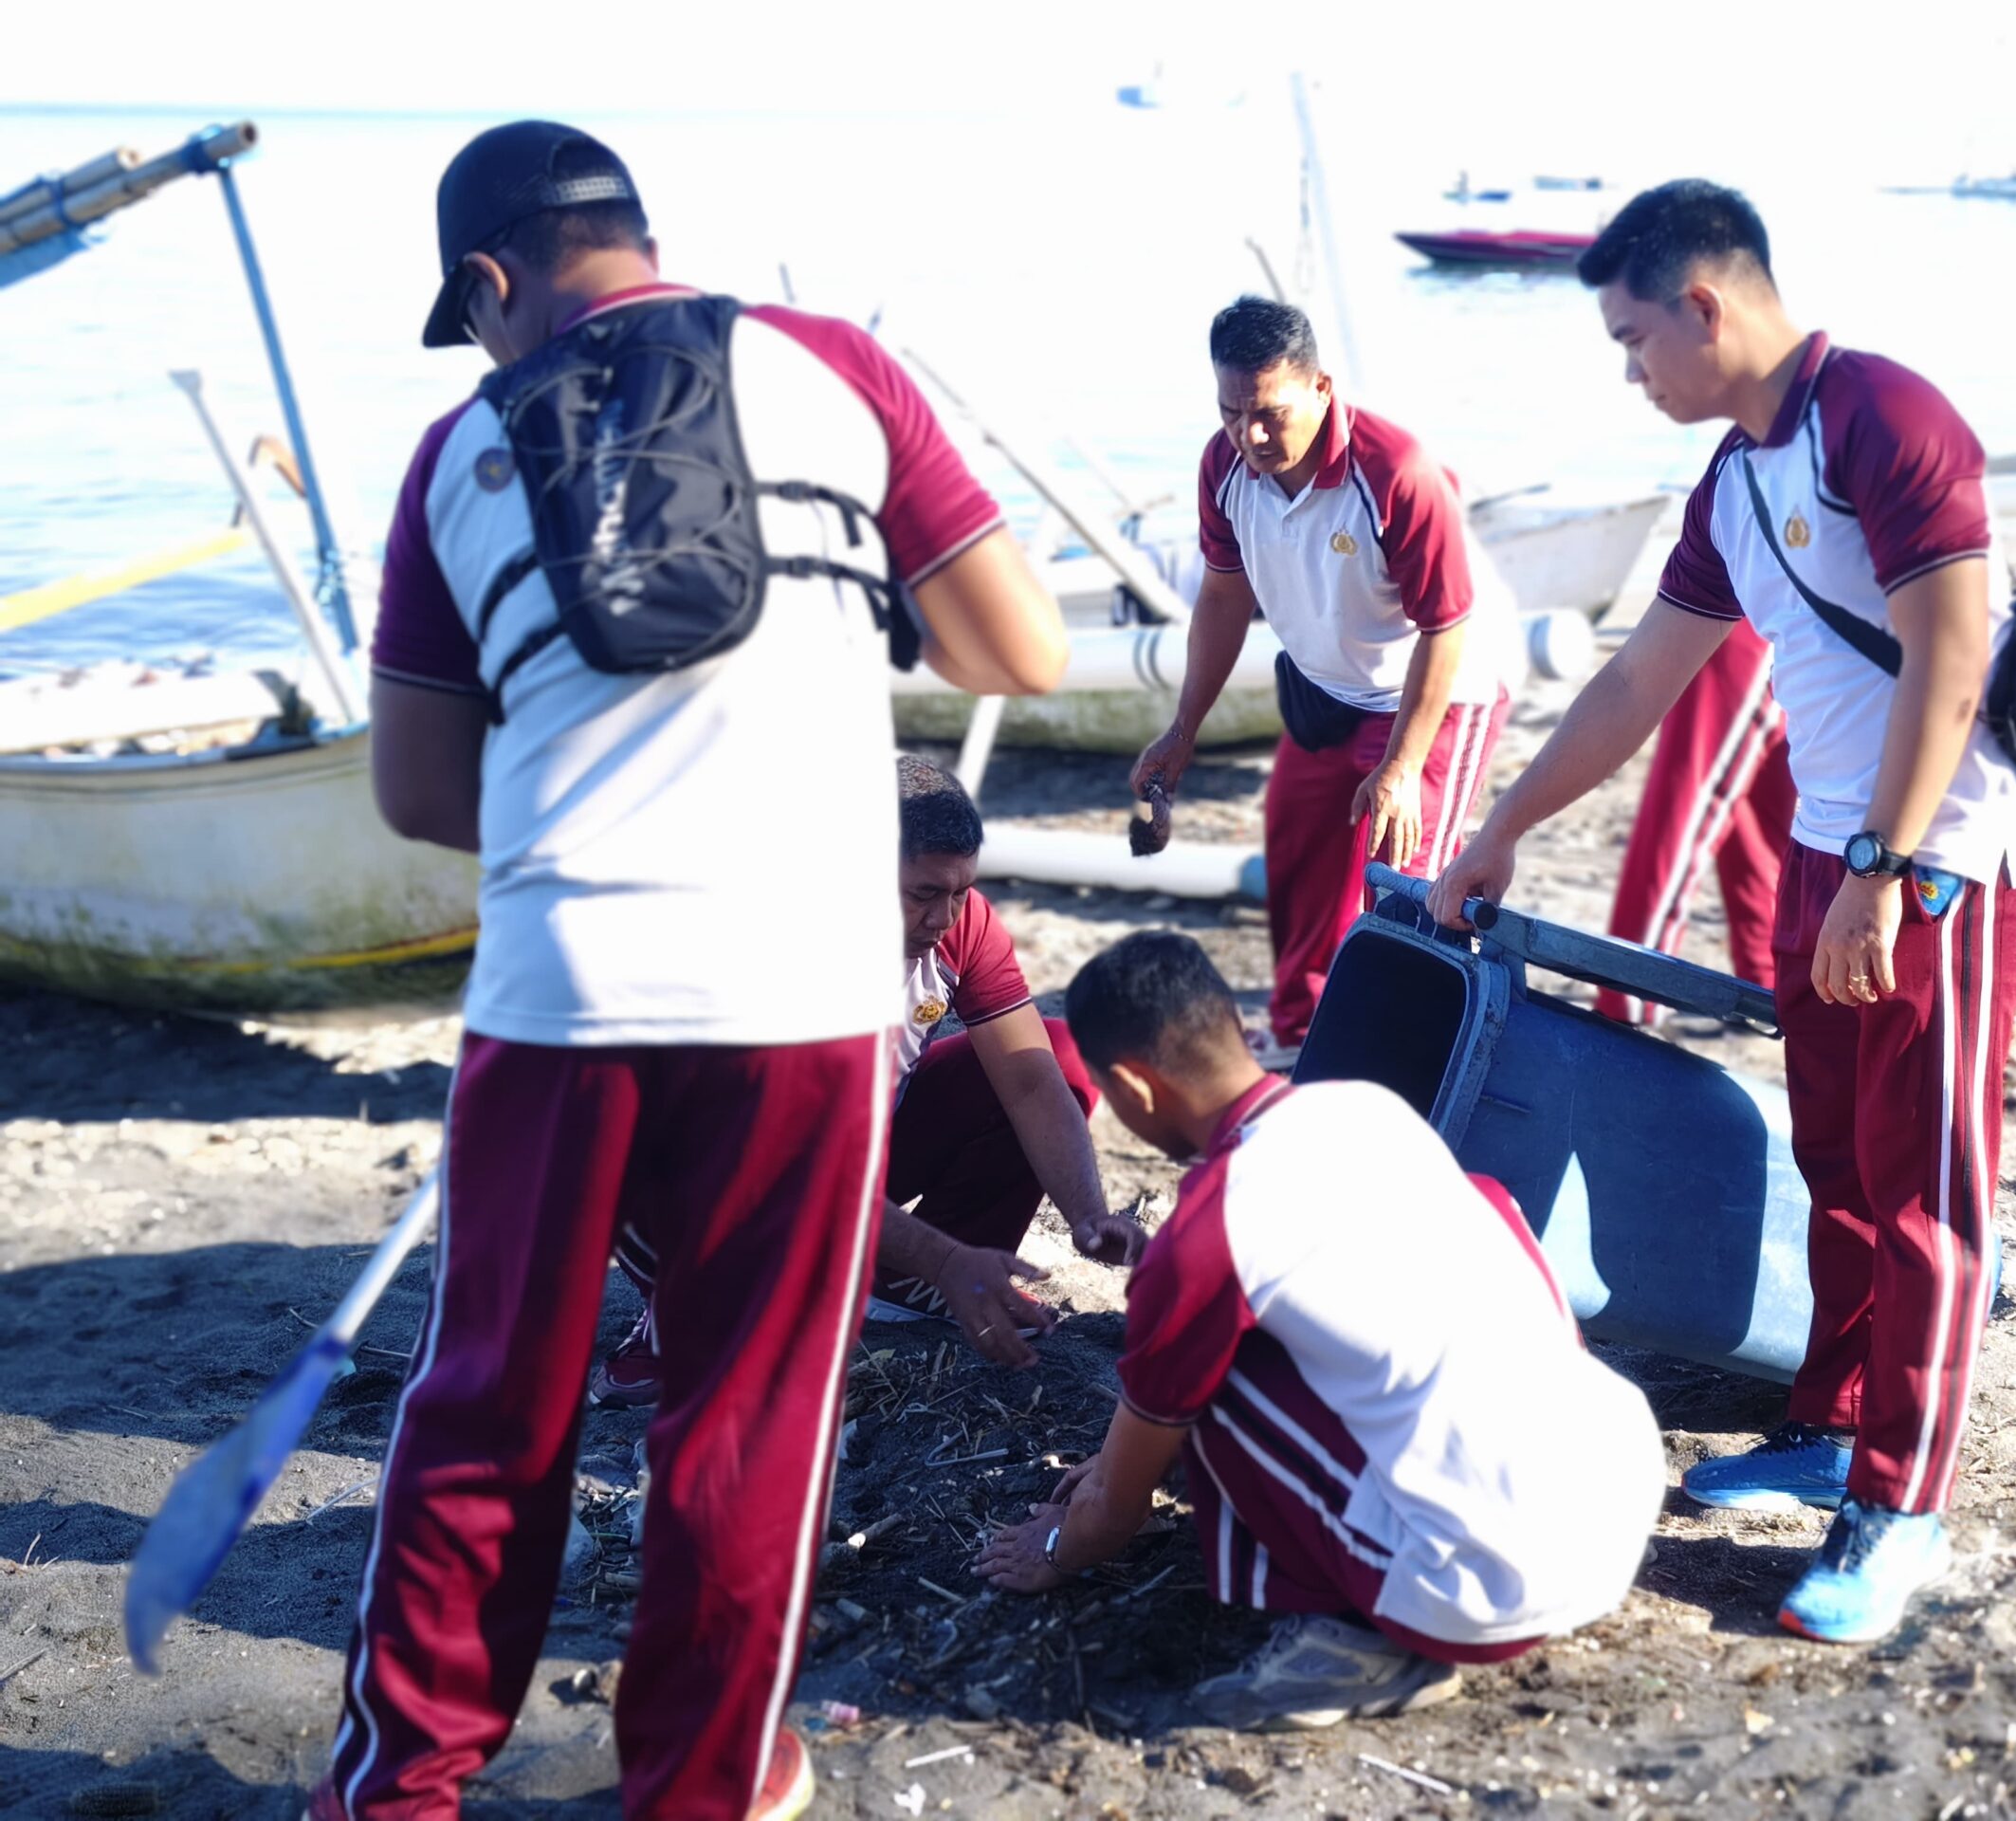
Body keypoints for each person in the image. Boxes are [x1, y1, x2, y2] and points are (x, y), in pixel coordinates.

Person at [317, 120, 1066, 1821]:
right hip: (795, 996)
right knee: (746, 1417)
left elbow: (423, 796)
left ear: (490, 283)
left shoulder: (455, 449)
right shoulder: (836, 366)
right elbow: (1019, 646)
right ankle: (704, 1784)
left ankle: (397, 1793)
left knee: (487, 1407)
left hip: (562, 988)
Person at [1430, 180, 2016, 1646]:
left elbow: (1953, 653)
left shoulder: (1887, 419)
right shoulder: (1733, 482)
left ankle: (1902, 1510)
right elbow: (1638, 681)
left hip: (1941, 871)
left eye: (1634, 337)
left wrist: (1882, 875)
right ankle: (1835, 1426)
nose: (1630, 368)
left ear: (1706, 307)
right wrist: (1505, 829)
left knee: (1927, 1200)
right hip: (1846, 860)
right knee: (1838, 1165)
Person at [975, 931, 1662, 1730]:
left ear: (1133, 1086)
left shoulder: (1214, 1223)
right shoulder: (1364, 1110)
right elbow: (1495, 1226)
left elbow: (1117, 1507)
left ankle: (1355, 1639)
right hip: (1614, 1500)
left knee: (1204, 1384)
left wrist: (1070, 1535)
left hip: (1485, 1587)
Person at [590, 754, 1139, 1396]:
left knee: (1053, 1051)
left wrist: (1088, 1216)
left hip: (848, 1147)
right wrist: (942, 1258)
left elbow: (1030, 1085)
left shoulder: (962, 923)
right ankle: (677, 1323)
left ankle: (916, 1280)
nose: (946, 917)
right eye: (925, 894)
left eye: (962, 890)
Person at [1130, 297, 1516, 1059]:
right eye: (1232, 411)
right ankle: (1307, 1040)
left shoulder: (1397, 472)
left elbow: (1445, 626)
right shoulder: (1224, 464)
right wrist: (1183, 731)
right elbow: (1221, 594)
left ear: (1322, 388)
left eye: (1269, 412)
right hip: (1327, 686)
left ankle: (1416, 1057)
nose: (1252, 434)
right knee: (1299, 849)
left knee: (1403, 882)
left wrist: (1401, 767)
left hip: (1438, 682)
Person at [1596, 614, 1794, 1023]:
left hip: (1791, 624)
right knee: (1683, 816)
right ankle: (1631, 998)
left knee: (1758, 822)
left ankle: (1770, 985)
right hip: (1757, 620)